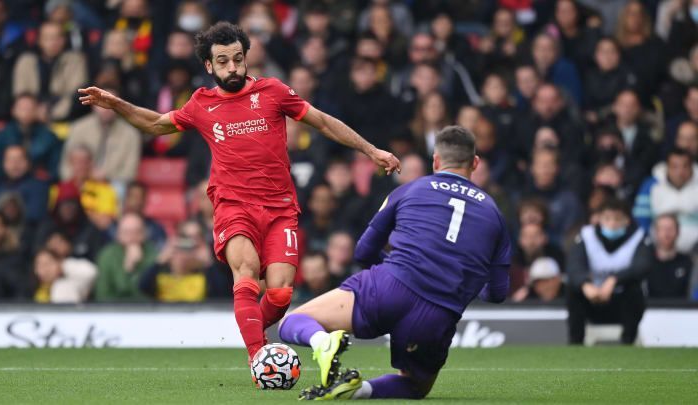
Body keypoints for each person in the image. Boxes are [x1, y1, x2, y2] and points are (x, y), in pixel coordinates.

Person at [77, 21, 400, 362]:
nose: (231, 67)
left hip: (280, 207)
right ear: (208, 66)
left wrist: (370, 150)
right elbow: (157, 124)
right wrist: (117, 105)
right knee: (245, 272)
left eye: (237, 59)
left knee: (280, 293)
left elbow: (320, 121)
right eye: (222, 61)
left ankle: (251, 330)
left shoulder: (273, 91)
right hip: (234, 205)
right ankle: (258, 356)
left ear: (246, 58)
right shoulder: (200, 104)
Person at [278, 126, 511, 400]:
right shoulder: (494, 214)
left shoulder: (410, 189)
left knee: (294, 321)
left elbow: (364, 251)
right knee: (415, 386)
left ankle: (322, 342)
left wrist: (396, 269)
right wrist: (468, 288)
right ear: (474, 163)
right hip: (438, 311)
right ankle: (359, 392)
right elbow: (497, 293)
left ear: (435, 160)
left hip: (388, 287)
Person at [566, 197, 651, 345]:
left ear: (627, 220)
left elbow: (641, 267)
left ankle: (628, 341)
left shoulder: (639, 238)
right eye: (607, 219)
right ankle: (576, 344)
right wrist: (585, 284)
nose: (612, 224)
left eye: (618, 219)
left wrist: (614, 280)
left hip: (621, 302)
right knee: (572, 289)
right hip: (593, 298)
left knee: (634, 290)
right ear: (599, 219)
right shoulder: (586, 236)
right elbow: (573, 266)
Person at [647, 213, 693, 298]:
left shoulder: (688, 262)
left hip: (683, 310)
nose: (667, 233)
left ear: (678, 232)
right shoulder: (645, 262)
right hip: (650, 309)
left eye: (670, 228)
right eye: (663, 228)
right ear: (656, 232)